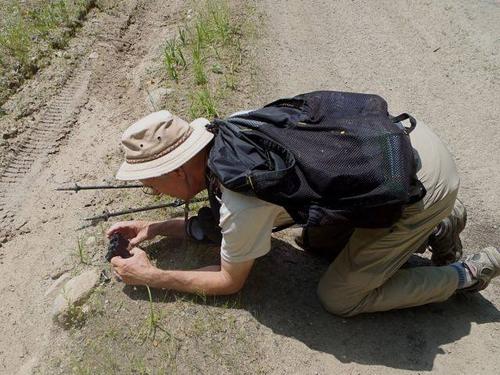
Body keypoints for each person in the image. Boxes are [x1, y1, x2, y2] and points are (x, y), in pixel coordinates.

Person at [107, 109, 499, 317]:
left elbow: (229, 280)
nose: (151, 190)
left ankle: (462, 275)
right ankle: (437, 227)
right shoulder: (232, 132)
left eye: (151, 182)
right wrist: (155, 227)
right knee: (315, 242)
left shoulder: (242, 198)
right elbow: (227, 224)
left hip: (422, 185)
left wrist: (154, 277)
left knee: (340, 298)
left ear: (177, 168)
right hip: (404, 146)